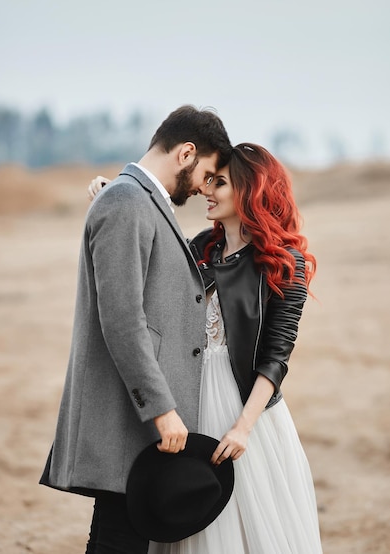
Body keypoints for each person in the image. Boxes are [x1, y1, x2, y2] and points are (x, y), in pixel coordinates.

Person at [90, 143, 323, 553]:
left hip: (244, 412)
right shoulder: (200, 247)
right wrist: (114, 198)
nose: (206, 190)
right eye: (208, 180)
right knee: (188, 515)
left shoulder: (285, 262)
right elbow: (150, 255)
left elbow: (275, 357)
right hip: (190, 402)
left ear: (250, 191)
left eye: (219, 182)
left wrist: (243, 427)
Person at [39, 105, 232, 554]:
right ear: (187, 152)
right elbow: (123, 321)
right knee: (119, 541)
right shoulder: (127, 202)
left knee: (115, 537)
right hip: (131, 416)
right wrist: (162, 410)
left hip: (135, 418)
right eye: (207, 173)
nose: (205, 186)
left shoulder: (134, 200)